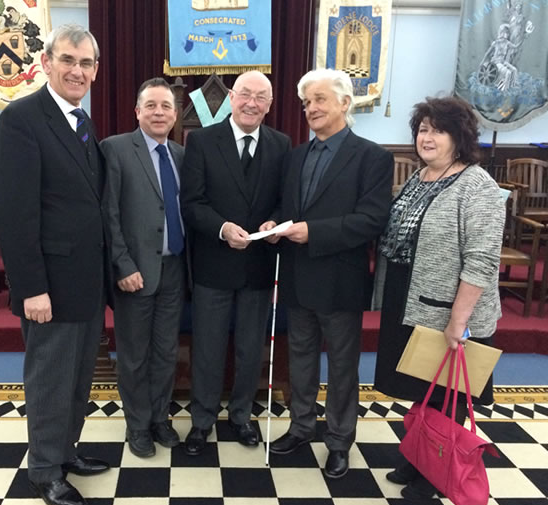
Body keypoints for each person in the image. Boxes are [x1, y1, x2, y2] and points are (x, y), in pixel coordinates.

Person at [0, 24, 111, 505]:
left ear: (96, 71)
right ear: (46, 63)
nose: (77, 71)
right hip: (49, 287)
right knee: (49, 379)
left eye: (86, 64)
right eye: (68, 60)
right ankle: (43, 470)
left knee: (79, 377)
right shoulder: (22, 118)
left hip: (84, 281)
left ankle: (65, 451)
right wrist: (31, 288)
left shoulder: (82, 121)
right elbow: (16, 214)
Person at [373, 96, 505, 499]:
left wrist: (459, 321)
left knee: (448, 398)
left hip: (449, 310)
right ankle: (419, 458)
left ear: (459, 137)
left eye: (438, 129)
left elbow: (482, 261)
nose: (427, 137)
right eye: (423, 129)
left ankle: (437, 473)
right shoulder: (420, 176)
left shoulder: (477, 186)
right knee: (422, 390)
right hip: (410, 298)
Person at [267, 69, 393, 479]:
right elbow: (288, 209)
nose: (311, 109)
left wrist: (312, 233)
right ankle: (302, 427)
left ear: (344, 102)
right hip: (298, 278)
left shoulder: (373, 156)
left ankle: (340, 441)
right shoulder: (295, 156)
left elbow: (372, 220)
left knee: (341, 367)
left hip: (340, 281)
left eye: (320, 99)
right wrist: (274, 225)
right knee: (300, 360)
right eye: (306, 103)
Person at [180, 70, 291, 455]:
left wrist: (275, 221)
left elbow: (284, 199)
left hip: (259, 265)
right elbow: (191, 203)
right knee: (208, 348)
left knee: (249, 348)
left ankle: (241, 416)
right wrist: (223, 227)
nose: (251, 103)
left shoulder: (281, 144)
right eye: (245, 94)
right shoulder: (202, 142)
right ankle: (202, 420)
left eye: (261, 97)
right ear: (231, 97)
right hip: (214, 263)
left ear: (270, 105)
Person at [102, 78, 185, 457]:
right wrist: (122, 264)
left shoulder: (182, 156)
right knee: (134, 355)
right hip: (134, 273)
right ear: (137, 112)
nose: (158, 112)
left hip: (175, 271)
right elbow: (109, 214)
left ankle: (159, 419)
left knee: (166, 352)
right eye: (150, 105)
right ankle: (137, 426)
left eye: (165, 106)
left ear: (175, 113)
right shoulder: (116, 150)